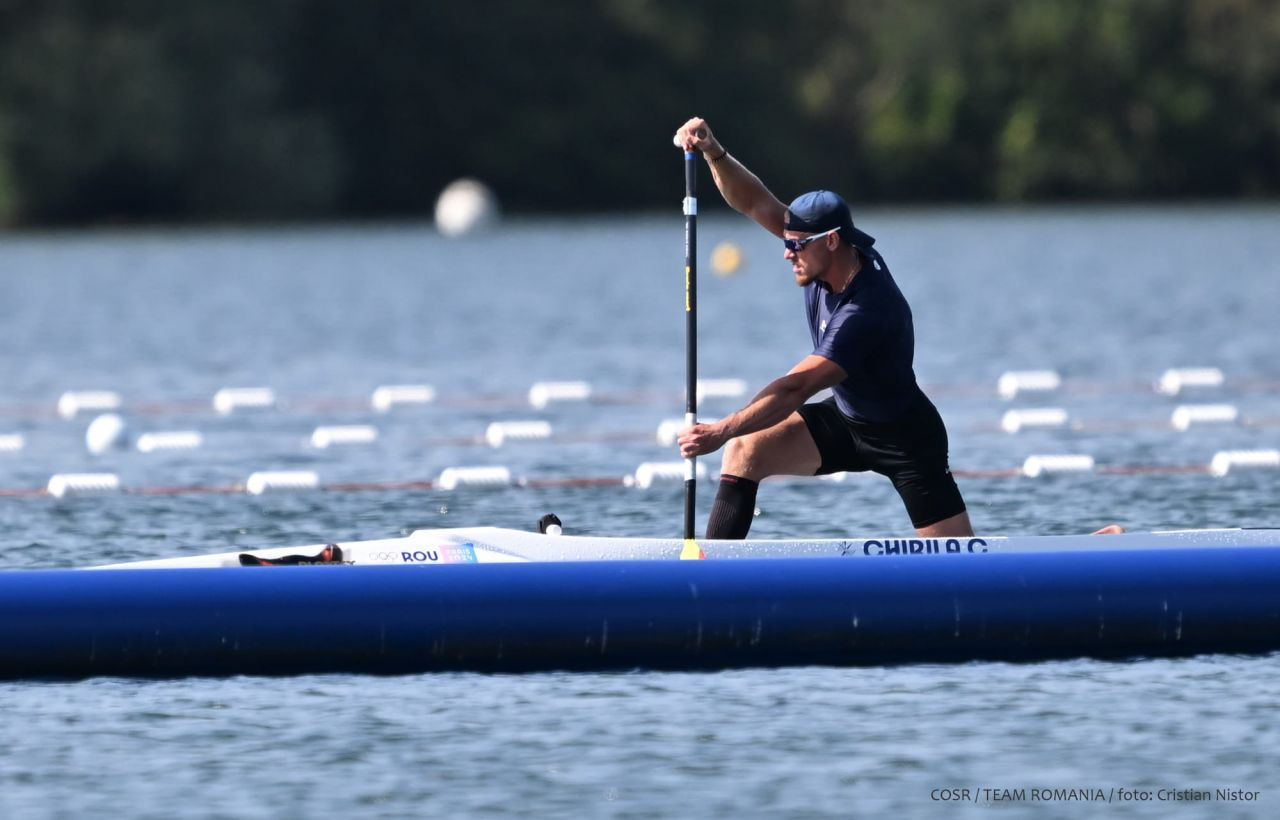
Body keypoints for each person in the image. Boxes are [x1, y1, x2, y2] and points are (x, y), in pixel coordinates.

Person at [673, 117, 975, 539]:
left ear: (831, 241)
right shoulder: (823, 253)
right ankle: (711, 578)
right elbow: (754, 202)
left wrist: (720, 431)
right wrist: (713, 152)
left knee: (957, 564)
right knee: (747, 449)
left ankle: (1094, 549)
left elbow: (796, 388)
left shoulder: (867, 309)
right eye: (785, 242)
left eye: (795, 245)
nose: (786, 254)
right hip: (847, 419)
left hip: (906, 439)